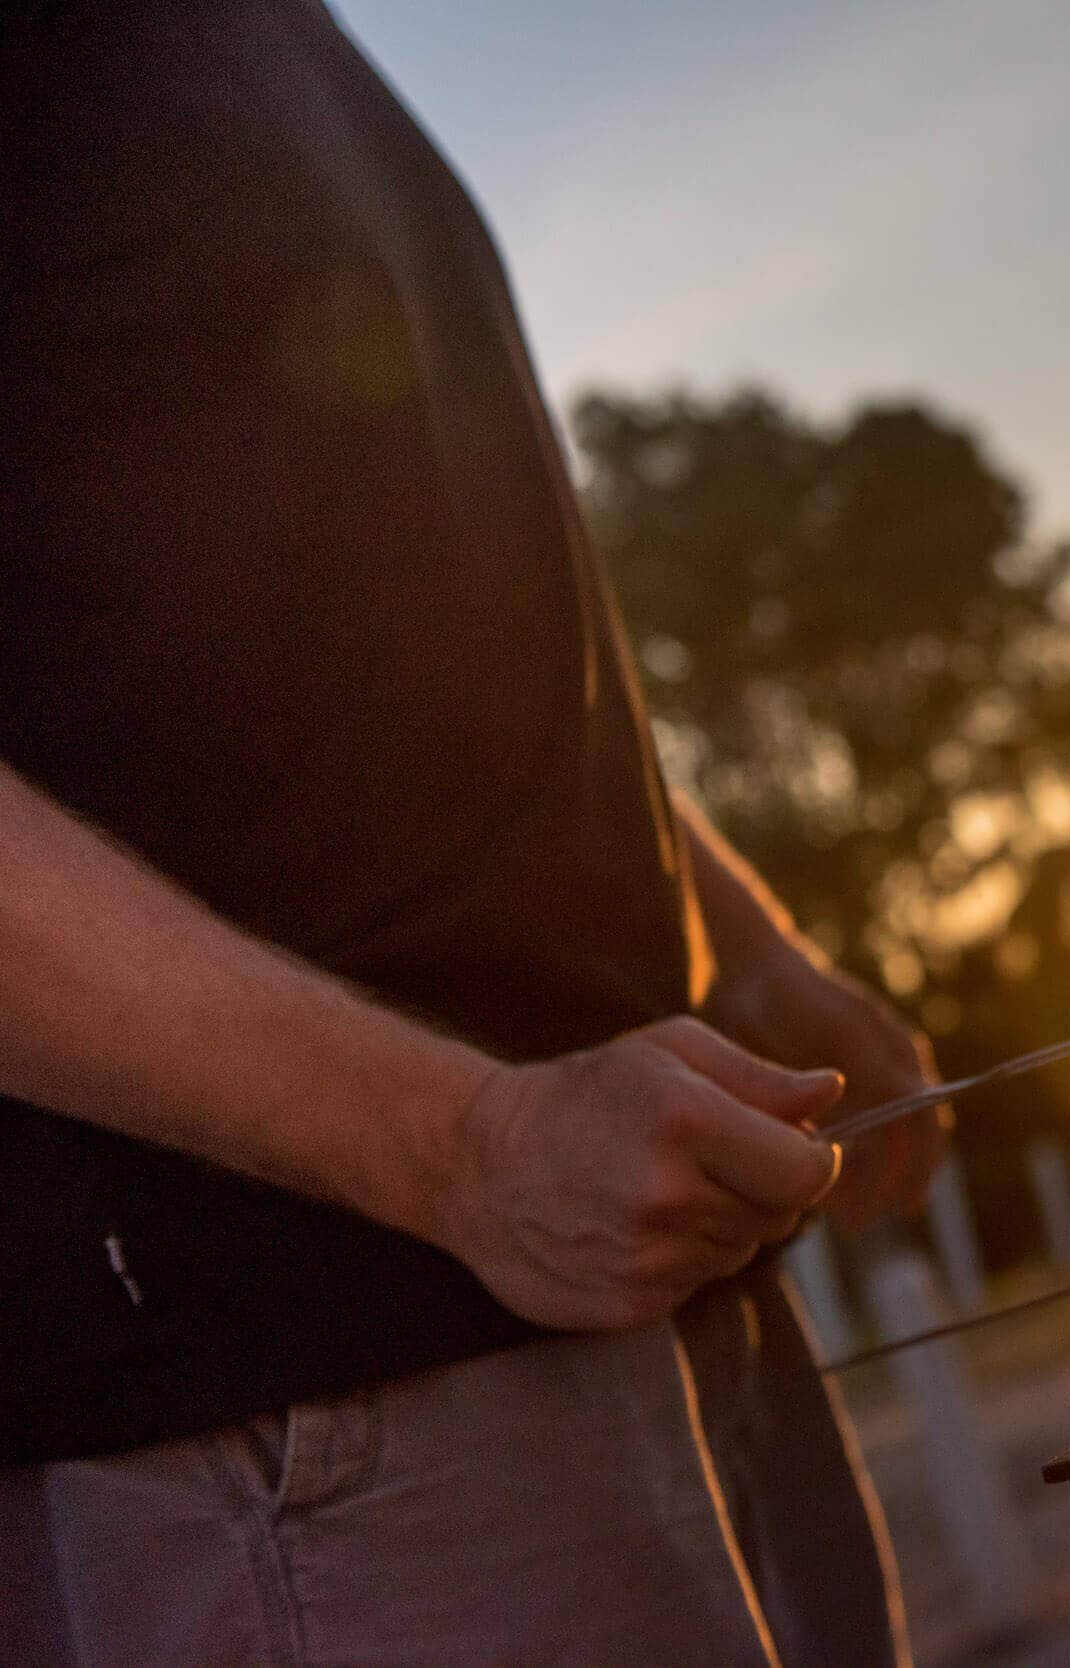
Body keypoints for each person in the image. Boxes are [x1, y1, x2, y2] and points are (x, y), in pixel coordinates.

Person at [0, 3, 946, 1662]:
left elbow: (415, 594)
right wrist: (457, 1146)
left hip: (635, 1270)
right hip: (304, 1396)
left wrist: (748, 944)